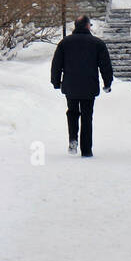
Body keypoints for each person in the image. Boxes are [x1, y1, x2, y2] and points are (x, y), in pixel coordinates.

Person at [51, 14, 113, 157]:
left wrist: (56, 81)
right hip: (89, 86)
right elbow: (105, 65)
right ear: (87, 26)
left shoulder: (65, 43)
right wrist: (107, 82)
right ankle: (86, 149)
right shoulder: (97, 43)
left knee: (72, 113)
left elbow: (56, 64)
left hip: (71, 85)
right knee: (87, 116)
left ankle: (73, 139)